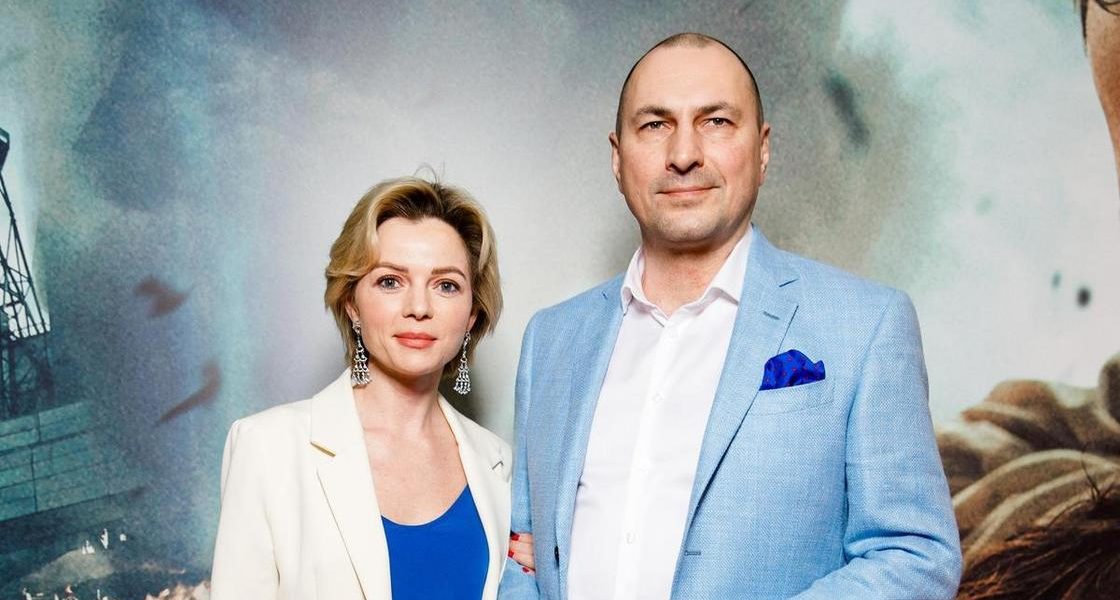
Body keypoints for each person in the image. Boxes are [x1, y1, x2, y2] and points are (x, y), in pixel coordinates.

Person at [499, 33, 962, 599]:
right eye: (655, 124)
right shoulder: (551, 339)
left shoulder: (867, 325)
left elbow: (915, 554)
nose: (684, 154)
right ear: (618, 158)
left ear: (762, 149)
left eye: (716, 122)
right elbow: (524, 558)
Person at [211, 176, 511, 599]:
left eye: (446, 285)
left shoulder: (499, 464)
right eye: (390, 281)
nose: (419, 308)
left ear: (472, 316)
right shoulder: (267, 448)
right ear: (352, 302)